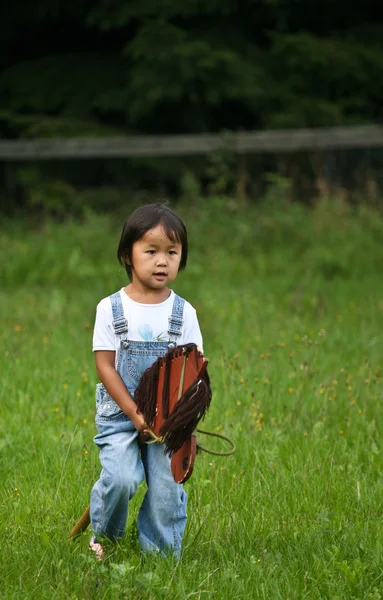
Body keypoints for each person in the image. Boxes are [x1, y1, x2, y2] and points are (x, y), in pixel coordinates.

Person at [89, 203, 203, 561]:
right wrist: (136, 415)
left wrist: (186, 422)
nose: (162, 261)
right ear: (127, 254)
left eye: (172, 252)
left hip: (169, 422)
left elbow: (193, 372)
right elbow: (105, 367)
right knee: (121, 479)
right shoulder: (110, 308)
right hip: (121, 416)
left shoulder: (183, 313)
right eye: (151, 251)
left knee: (168, 488)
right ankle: (105, 540)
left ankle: (160, 555)